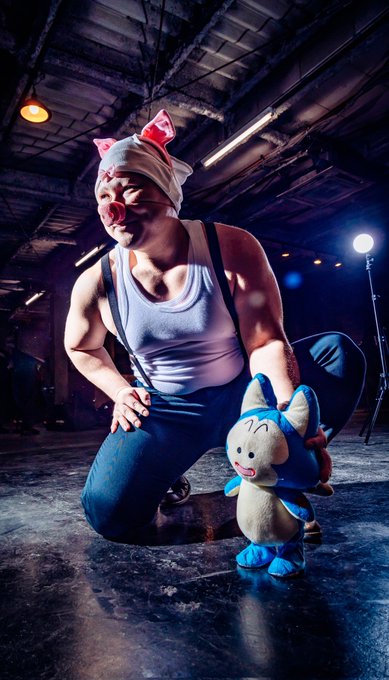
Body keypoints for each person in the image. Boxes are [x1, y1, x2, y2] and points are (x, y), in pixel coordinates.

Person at [64, 110, 366, 539]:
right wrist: (119, 390)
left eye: (129, 190)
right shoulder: (96, 282)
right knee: (109, 515)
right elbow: (80, 346)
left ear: (167, 193)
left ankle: (279, 472)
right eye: (103, 196)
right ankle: (169, 473)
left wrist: (286, 416)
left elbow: (265, 340)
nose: (113, 207)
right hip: (166, 408)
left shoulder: (230, 247)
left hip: (244, 394)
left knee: (337, 354)